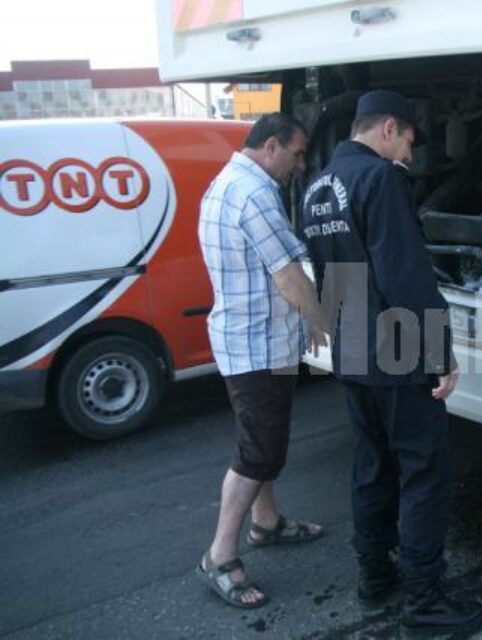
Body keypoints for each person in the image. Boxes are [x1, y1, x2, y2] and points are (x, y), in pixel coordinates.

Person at [300, 90, 482, 634]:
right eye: (407, 140)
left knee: (371, 465)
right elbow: (405, 274)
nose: (408, 153)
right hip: (398, 346)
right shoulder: (380, 179)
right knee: (424, 471)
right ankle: (425, 602)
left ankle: (375, 580)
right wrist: (441, 353)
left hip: (351, 345)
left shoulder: (316, 188)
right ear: (387, 129)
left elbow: (324, 268)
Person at [195, 112, 329, 609]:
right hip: (256, 346)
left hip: (244, 339)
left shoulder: (225, 182)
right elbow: (288, 275)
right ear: (271, 146)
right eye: (296, 154)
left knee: (260, 440)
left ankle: (266, 523)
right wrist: (321, 323)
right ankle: (220, 556)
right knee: (258, 455)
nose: (300, 165)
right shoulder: (255, 195)